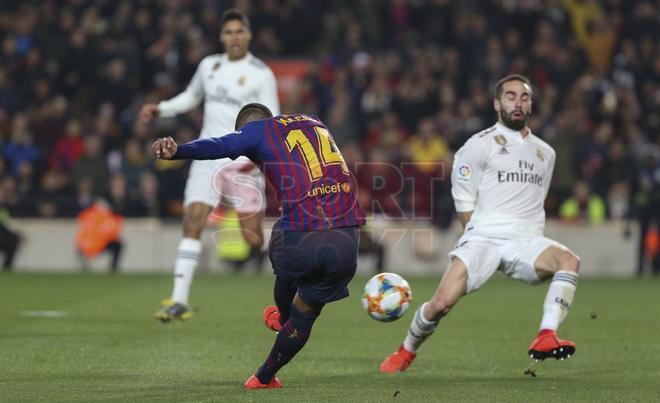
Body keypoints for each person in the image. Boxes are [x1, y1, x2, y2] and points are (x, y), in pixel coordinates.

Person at [152, 103, 365, 389]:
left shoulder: (255, 131)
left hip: (301, 235)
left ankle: (283, 319)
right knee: (308, 311)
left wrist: (178, 150)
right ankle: (264, 375)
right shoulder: (314, 120)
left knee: (283, 245)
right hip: (347, 236)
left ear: (246, 127)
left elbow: (218, 145)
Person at [380, 74, 581, 373]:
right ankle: (406, 351)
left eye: (524, 97)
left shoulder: (545, 153)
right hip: (484, 236)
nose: (518, 102)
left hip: (526, 240)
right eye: (511, 96)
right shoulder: (479, 145)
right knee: (441, 304)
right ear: (497, 104)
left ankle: (545, 334)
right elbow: (463, 196)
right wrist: (473, 235)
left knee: (569, 260)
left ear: (531, 105)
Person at [139, 9, 280, 321]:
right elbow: (190, 97)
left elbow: (272, 120)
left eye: (239, 31)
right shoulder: (209, 66)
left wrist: (265, 163)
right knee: (193, 221)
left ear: (249, 35)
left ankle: (289, 279)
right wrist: (160, 108)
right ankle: (179, 300)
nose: (234, 37)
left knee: (252, 239)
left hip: (242, 161)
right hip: (206, 156)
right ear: (221, 36)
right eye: (228, 32)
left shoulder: (261, 73)